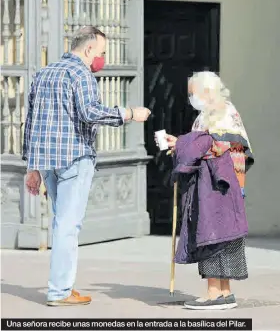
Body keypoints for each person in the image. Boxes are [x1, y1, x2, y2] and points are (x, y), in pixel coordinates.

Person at [23, 26, 151, 306]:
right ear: (88, 49)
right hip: (74, 159)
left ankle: (63, 287)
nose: (101, 59)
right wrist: (129, 113)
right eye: (102, 53)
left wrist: (31, 167)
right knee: (68, 226)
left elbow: (30, 121)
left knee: (61, 224)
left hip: (48, 162)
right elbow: (90, 111)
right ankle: (60, 291)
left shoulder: (45, 72)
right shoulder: (80, 72)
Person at [156, 71, 254, 310]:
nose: (191, 97)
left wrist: (182, 145)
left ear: (208, 92)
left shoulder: (223, 113)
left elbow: (215, 146)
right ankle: (221, 292)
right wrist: (179, 144)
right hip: (212, 184)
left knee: (214, 233)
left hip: (219, 186)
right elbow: (200, 145)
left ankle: (216, 293)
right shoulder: (206, 115)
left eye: (193, 92)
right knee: (218, 234)